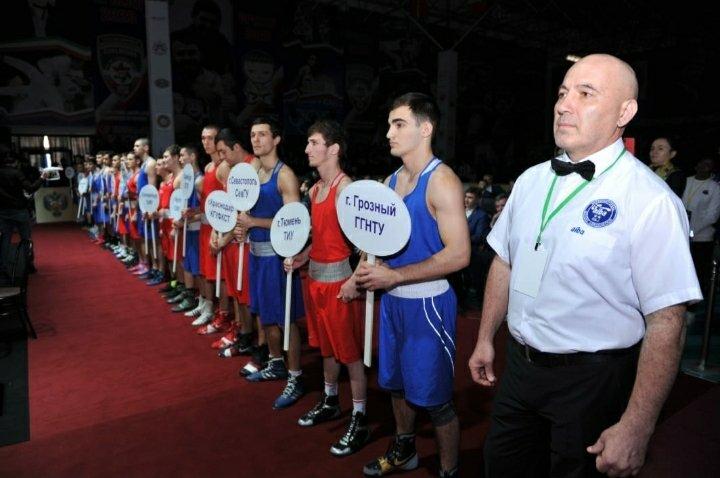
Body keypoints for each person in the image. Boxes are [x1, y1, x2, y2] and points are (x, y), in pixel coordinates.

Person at [469, 54, 702, 478]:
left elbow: (667, 322)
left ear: (624, 113)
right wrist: (486, 336)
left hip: (594, 384)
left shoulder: (650, 201)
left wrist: (638, 425)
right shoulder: (530, 180)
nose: (563, 105)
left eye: (585, 93)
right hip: (518, 370)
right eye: (562, 93)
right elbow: (505, 262)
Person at [356, 93, 469, 478]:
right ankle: (404, 450)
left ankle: (449, 471)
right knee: (396, 385)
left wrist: (396, 276)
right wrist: (361, 271)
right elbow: (377, 241)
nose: (389, 133)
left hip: (429, 306)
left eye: (399, 124)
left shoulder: (443, 181)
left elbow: (460, 254)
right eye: (389, 124)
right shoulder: (390, 181)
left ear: (425, 129)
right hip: (392, 302)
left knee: (437, 400)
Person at [284, 120, 369, 456]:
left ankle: (360, 418)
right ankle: (331, 400)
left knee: (351, 356)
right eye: (308, 142)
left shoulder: (346, 189)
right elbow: (321, 239)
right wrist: (301, 257)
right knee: (326, 349)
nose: (307, 149)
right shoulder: (315, 190)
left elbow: (368, 246)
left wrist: (354, 281)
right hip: (315, 281)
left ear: (333, 149)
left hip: (339, 285)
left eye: (314, 142)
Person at [236, 116, 306, 410]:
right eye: (253, 135)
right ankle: (276, 362)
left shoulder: (284, 175)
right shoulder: (251, 171)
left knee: (285, 319)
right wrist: (241, 227)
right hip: (256, 254)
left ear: (276, 139)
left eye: (262, 134)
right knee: (265, 314)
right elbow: (243, 211)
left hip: (279, 258)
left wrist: (254, 222)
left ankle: (296, 376)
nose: (256, 139)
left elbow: (295, 222)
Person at [0, 147, 48, 279]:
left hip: (3, 212)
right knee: (26, 239)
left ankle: (3, 267)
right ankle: (29, 264)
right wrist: (42, 178)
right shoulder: (17, 173)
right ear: (15, 162)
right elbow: (30, 188)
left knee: (5, 240)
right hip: (19, 210)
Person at [682, 156, 720, 295]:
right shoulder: (685, 181)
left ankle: (696, 304)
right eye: (702, 163)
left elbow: (712, 215)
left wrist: (691, 230)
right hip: (681, 234)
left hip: (702, 238)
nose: (704, 167)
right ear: (696, 166)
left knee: (698, 272)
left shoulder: (715, 187)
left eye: (708, 164)